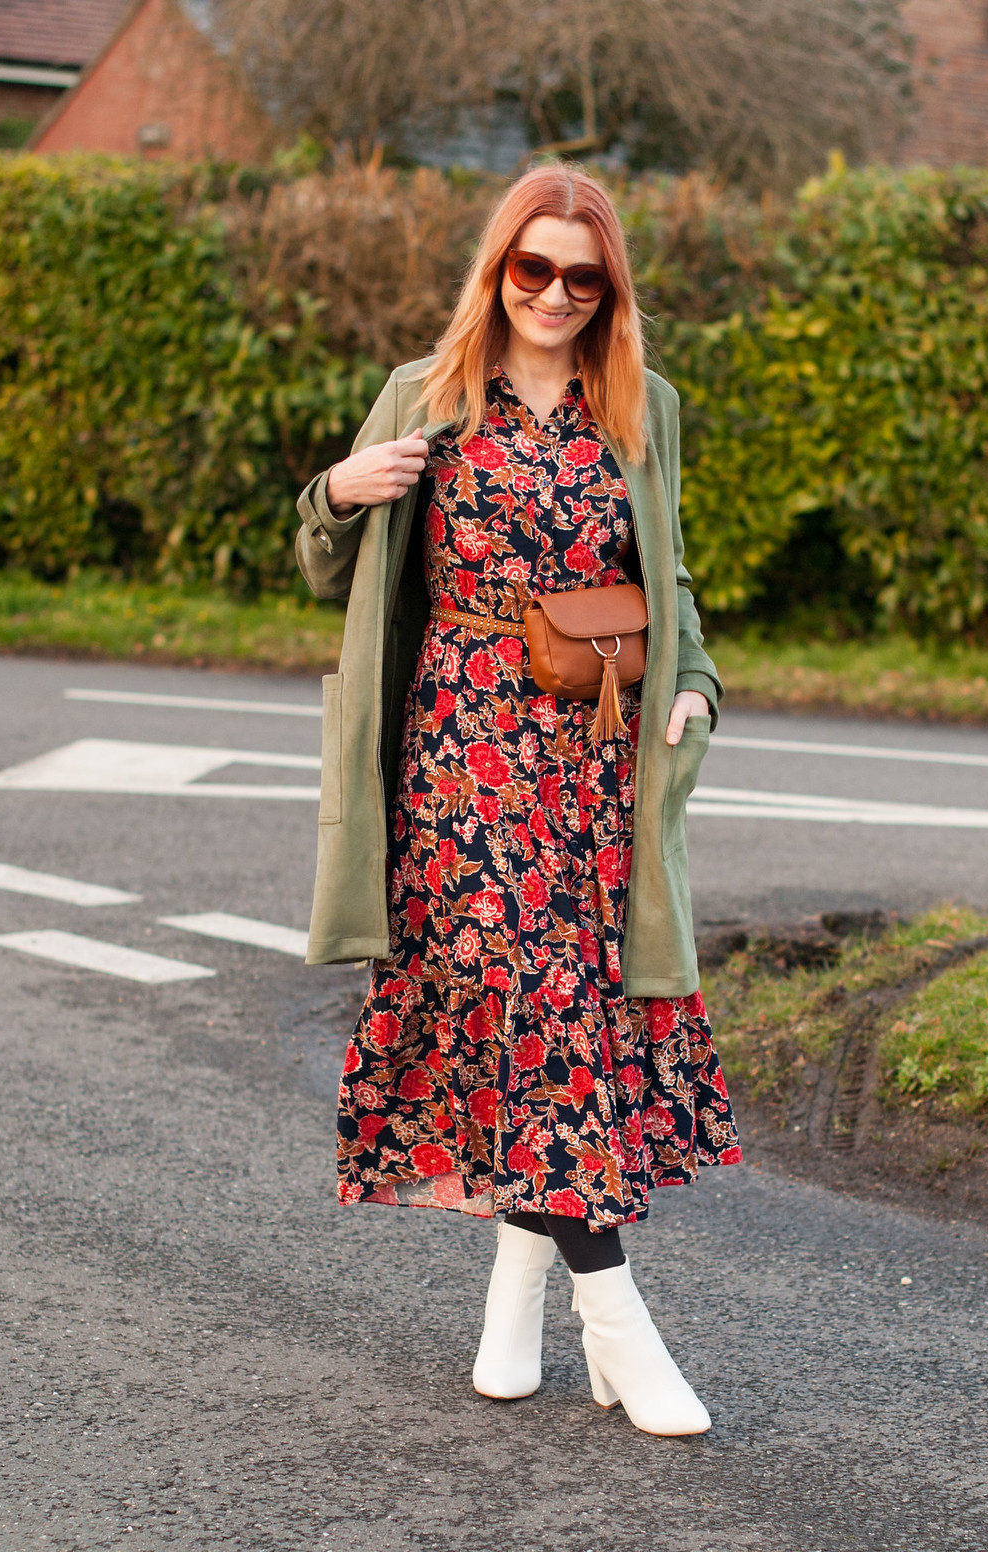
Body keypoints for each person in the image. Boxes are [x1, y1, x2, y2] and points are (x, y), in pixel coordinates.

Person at [295, 163, 741, 1437]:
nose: (553, 293)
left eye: (581, 276)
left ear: (610, 292)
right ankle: (620, 1324)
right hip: (459, 754)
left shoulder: (640, 406)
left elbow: (669, 571)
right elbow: (326, 560)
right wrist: (338, 490)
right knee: (533, 1008)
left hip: (593, 755)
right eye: (531, 267)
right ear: (499, 268)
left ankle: (511, 1298)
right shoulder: (425, 400)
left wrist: (697, 680)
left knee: (568, 1023)